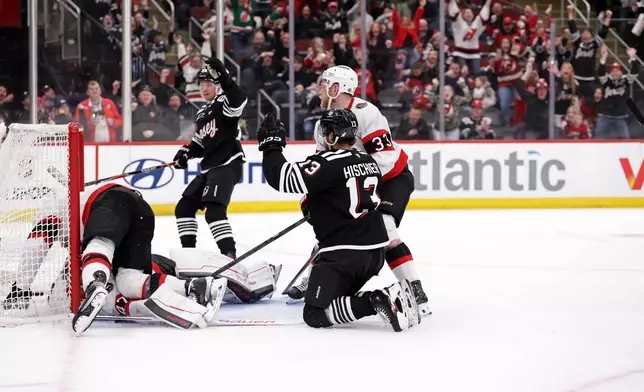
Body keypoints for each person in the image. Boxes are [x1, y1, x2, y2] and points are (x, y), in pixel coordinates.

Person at [258, 110, 421, 332]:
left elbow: (282, 177)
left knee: (314, 314)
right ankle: (378, 299)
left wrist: (271, 145)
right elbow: (341, 194)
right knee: (338, 299)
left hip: (343, 255)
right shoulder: (368, 161)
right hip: (373, 253)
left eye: (325, 131)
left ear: (332, 136)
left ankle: (377, 299)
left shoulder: (327, 162)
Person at [289, 65, 430, 316]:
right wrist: (314, 199)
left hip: (391, 179)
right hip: (359, 181)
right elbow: (323, 167)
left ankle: (415, 292)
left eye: (323, 84)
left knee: (384, 230)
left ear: (336, 88)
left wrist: (356, 182)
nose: (318, 89)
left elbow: (385, 159)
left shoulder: (366, 113)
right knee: (334, 227)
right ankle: (314, 277)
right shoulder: (325, 123)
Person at [2, 182, 228, 335]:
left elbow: (36, 245)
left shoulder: (53, 208)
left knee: (100, 244)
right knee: (129, 281)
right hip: (141, 212)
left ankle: (94, 285)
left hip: (113, 200)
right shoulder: (71, 217)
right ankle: (197, 287)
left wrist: (20, 288)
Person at [173, 57, 248, 258]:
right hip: (209, 167)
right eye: (201, 84)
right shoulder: (202, 113)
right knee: (184, 208)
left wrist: (225, 78)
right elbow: (200, 142)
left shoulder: (224, 102)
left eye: (209, 84)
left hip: (227, 163)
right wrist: (186, 153)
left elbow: (239, 100)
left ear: (218, 86)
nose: (204, 88)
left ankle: (229, 255)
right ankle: (188, 255)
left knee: (214, 211)